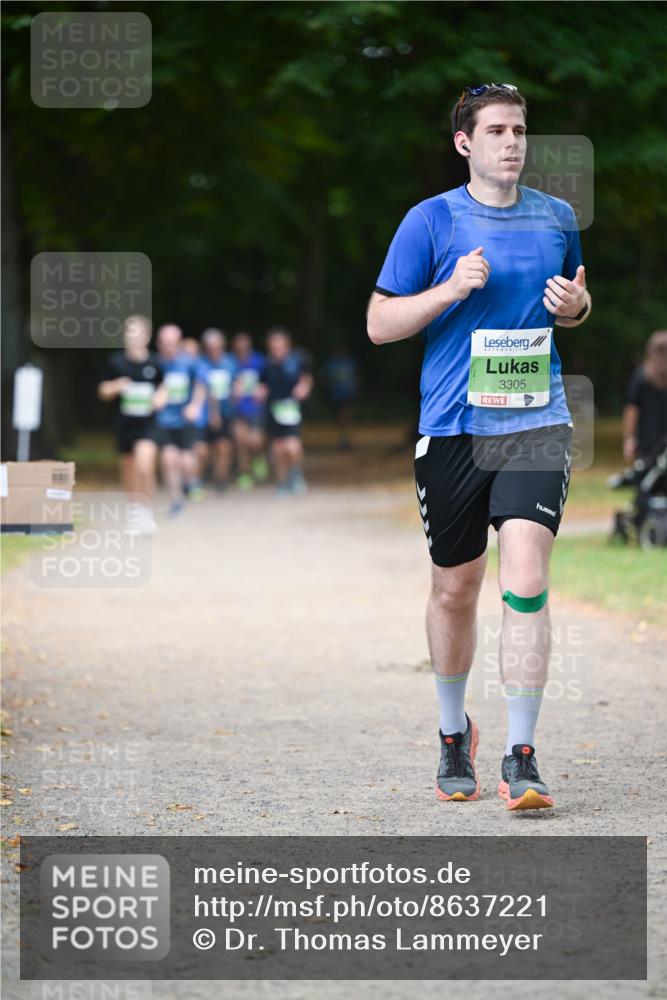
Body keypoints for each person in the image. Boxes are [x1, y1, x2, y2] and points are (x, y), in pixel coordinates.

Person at [367, 84, 592, 811]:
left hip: (534, 422)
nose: (511, 142)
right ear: (464, 142)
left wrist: (577, 308)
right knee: (454, 588)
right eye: (495, 130)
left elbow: (576, 301)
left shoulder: (556, 218)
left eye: (519, 129)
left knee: (522, 575)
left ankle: (520, 754)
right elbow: (378, 324)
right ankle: (449, 732)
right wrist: (448, 292)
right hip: (452, 428)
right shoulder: (429, 221)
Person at [97, 314, 165, 534]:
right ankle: (135, 510)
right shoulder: (116, 362)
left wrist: (159, 399)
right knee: (128, 469)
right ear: (125, 336)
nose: (134, 337)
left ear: (147, 336)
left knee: (144, 465)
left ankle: (147, 511)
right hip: (125, 424)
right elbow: (103, 391)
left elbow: (165, 388)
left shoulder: (155, 363)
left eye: (139, 332)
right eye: (130, 332)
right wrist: (117, 385)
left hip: (148, 425)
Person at [155, 324, 207, 516]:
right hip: (164, 420)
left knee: (186, 461)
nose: (168, 346)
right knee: (169, 460)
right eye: (165, 343)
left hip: (185, 419)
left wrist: (195, 405)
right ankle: (176, 501)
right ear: (159, 344)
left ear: (179, 343)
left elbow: (201, 384)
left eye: (172, 343)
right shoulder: (156, 364)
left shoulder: (189, 363)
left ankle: (190, 482)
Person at [257, 327, 313, 496]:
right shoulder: (267, 364)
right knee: (278, 448)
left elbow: (307, 378)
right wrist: (260, 392)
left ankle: (295, 472)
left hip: (291, 409)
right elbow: (262, 383)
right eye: (272, 348)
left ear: (287, 345)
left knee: (293, 447)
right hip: (273, 409)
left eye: (279, 347)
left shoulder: (297, 360)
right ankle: (282, 482)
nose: (276, 351)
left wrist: (304, 387)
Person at [197, 327, 238, 491]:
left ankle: (220, 479)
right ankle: (198, 478)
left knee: (224, 446)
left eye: (217, 344)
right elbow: (204, 389)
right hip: (206, 414)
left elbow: (235, 382)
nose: (214, 348)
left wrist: (237, 391)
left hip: (227, 412)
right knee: (203, 449)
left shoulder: (230, 362)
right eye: (210, 345)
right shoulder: (201, 364)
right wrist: (213, 413)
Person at [230, 331, 269, 490]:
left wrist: (263, 390)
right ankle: (245, 472)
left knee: (254, 441)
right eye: (239, 346)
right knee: (240, 442)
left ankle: (258, 457)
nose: (242, 348)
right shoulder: (231, 363)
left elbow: (267, 380)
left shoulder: (259, 361)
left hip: (256, 408)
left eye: (244, 345)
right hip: (237, 408)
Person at [623, 330, 667, 463]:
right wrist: (629, 439)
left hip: (648, 443)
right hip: (648, 443)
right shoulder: (641, 377)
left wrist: (629, 439)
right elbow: (632, 409)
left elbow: (631, 409)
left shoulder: (641, 375)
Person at [321, 344, 360, 450]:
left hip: (348, 394)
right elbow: (325, 378)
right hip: (336, 395)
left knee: (345, 415)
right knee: (341, 418)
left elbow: (356, 376)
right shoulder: (331, 363)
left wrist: (356, 388)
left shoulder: (350, 361)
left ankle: (345, 439)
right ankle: (343, 438)